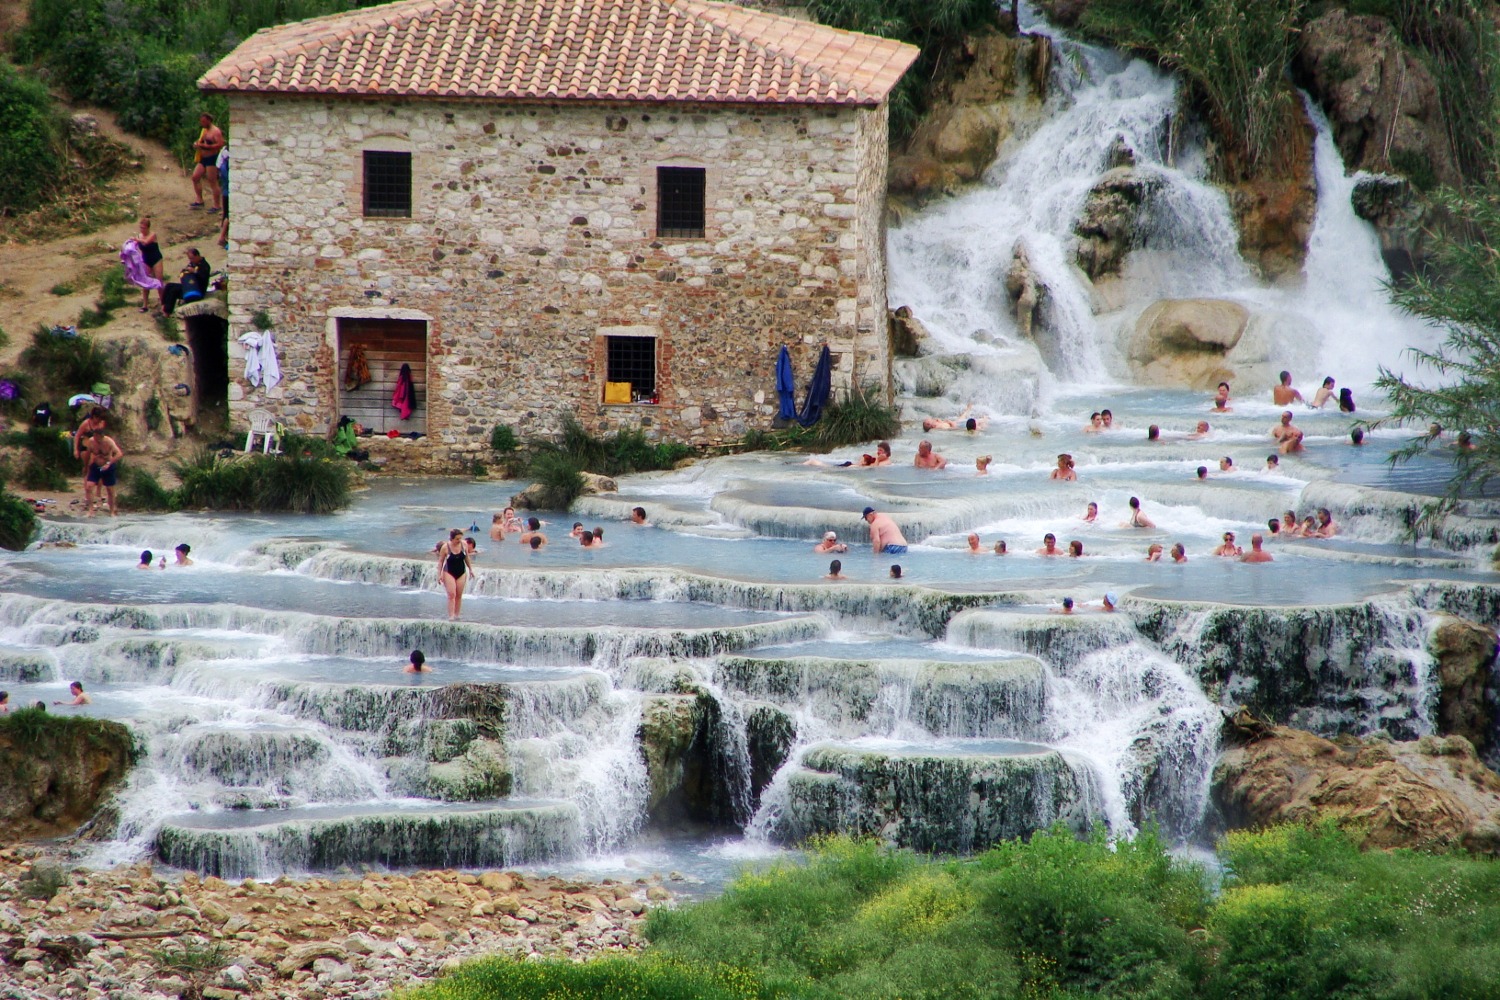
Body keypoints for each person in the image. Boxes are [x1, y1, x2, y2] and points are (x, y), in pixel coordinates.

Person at [84, 428, 123, 516]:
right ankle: (90, 510)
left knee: (110, 489)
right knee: (89, 486)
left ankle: (112, 511)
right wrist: (86, 466)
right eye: (94, 435)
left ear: (101, 436)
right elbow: (88, 454)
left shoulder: (109, 441)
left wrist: (109, 464)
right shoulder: (91, 441)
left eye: (97, 436)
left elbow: (119, 453)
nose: (95, 438)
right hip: (96, 466)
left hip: (107, 466)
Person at [190, 113, 226, 211]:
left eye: (204, 122)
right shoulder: (205, 131)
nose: (202, 124)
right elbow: (201, 141)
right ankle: (199, 200)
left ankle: (217, 205)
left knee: (212, 181)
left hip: (212, 158)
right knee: (195, 177)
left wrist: (207, 147)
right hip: (203, 157)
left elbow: (220, 144)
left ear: (209, 120)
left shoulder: (216, 131)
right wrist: (197, 144)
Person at [161, 247, 211, 315]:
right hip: (189, 286)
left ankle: (167, 312)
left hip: (197, 289)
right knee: (169, 286)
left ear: (197, 255)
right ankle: (163, 305)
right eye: (190, 258)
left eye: (192, 258)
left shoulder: (205, 265)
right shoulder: (193, 263)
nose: (191, 260)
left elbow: (204, 277)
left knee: (174, 290)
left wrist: (195, 271)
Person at [437, 528, 471, 620]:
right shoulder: (445, 547)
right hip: (448, 571)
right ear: (451, 539)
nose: (459, 540)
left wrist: (471, 569)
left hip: (461, 571)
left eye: (460, 538)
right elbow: (440, 562)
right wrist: (439, 575)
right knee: (452, 594)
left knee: (459, 595)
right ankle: (451, 615)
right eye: (457, 539)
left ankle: (457, 615)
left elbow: (467, 557)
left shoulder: (464, 544)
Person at [135, 218, 164, 311]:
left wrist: (137, 240)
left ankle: (163, 303)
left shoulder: (152, 235)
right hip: (146, 260)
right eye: (141, 228)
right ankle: (145, 305)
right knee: (145, 282)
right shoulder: (139, 236)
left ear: (148, 228)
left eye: (144, 228)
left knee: (159, 281)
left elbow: (146, 242)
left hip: (156, 258)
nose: (142, 230)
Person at [74, 407, 108, 480]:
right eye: (98, 418)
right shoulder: (86, 424)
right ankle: (86, 480)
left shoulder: (101, 423)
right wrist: (75, 449)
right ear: (94, 417)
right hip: (86, 447)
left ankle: (92, 480)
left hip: (96, 448)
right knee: (87, 465)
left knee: (93, 463)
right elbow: (77, 436)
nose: (99, 421)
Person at [216, 145, 230, 249]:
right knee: (229, 216)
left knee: (226, 214)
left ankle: (223, 236)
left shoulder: (223, 164)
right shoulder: (228, 166)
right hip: (229, 192)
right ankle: (222, 237)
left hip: (225, 192)